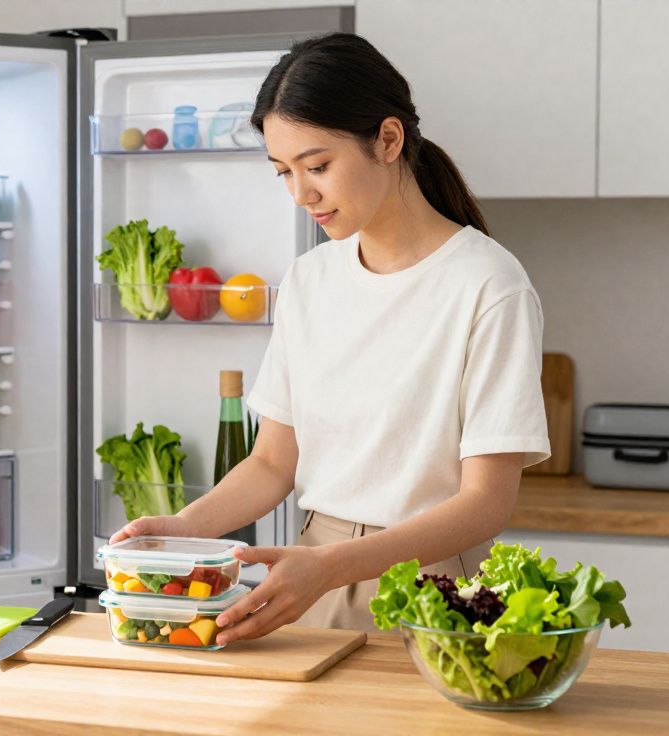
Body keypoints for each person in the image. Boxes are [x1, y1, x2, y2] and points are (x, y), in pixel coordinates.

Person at [109, 33, 550, 647]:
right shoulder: (310, 279)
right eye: (284, 171)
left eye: (317, 166)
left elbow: (486, 504)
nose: (300, 193)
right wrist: (184, 528)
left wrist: (330, 568)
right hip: (307, 579)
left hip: (433, 591)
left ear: (388, 140)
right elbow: (271, 462)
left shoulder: (488, 285)